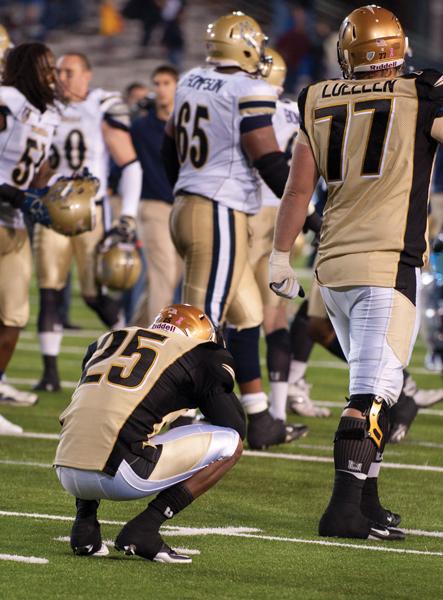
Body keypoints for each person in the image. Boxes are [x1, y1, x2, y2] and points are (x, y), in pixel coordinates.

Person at [269, 5, 443, 540]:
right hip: (386, 261)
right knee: (370, 392)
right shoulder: (421, 91)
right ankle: (343, 510)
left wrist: (279, 256)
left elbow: (299, 189)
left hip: (332, 264)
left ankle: (366, 502)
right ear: (397, 47)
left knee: (377, 388)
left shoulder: (316, 98)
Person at [164, 12, 314, 449]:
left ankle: (260, 417)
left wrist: (185, 187)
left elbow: (167, 144)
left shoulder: (192, 78)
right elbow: (267, 158)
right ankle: (176, 417)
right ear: (247, 46)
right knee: (199, 322)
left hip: (192, 205)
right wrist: (303, 210)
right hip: (218, 211)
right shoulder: (248, 87)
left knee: (247, 314)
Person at [54, 303, 245, 564]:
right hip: (123, 474)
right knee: (232, 445)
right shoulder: (197, 354)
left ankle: (84, 526)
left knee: (100, 419)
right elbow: (235, 426)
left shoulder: (109, 340)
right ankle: (146, 525)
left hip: (65, 467)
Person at [33, 52, 142, 392]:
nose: (62, 78)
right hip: (52, 211)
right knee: (49, 291)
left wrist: (127, 215)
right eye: (58, 72)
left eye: (69, 72)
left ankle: (126, 351)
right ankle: (50, 373)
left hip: (91, 212)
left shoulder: (100, 103)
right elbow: (39, 172)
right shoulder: (46, 107)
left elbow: (130, 164)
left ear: (87, 76)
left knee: (95, 295)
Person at [0, 41, 60, 408]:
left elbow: (35, 177)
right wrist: (16, 195)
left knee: (14, 317)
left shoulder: (48, 116)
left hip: (15, 224)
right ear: (26, 69)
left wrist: (58, 195)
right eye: (46, 66)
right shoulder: (6, 98)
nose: (52, 73)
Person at [130, 64, 182, 326]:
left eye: (166, 83)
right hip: (153, 206)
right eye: (157, 83)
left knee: (169, 278)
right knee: (164, 275)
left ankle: (135, 331)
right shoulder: (140, 127)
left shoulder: (188, 124)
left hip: (182, 208)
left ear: (177, 86)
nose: (161, 89)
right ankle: (156, 342)